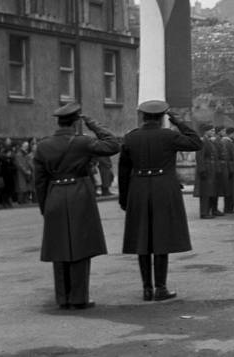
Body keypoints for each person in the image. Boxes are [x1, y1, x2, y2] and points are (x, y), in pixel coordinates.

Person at [33, 103, 119, 310]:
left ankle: (63, 298)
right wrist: (93, 124)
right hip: (79, 194)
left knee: (59, 248)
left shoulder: (43, 146)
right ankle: (79, 298)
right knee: (81, 247)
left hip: (54, 195)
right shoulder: (84, 142)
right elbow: (113, 145)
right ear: (75, 122)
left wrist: (45, 207)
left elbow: (39, 181)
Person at [119, 100, 202, 301]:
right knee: (161, 238)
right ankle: (161, 288)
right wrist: (179, 122)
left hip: (138, 189)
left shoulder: (131, 138)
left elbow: (123, 171)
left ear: (143, 116)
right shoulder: (170, 136)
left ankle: (147, 288)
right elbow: (196, 142)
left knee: (142, 240)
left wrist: (124, 198)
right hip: (164, 190)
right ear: (163, 117)